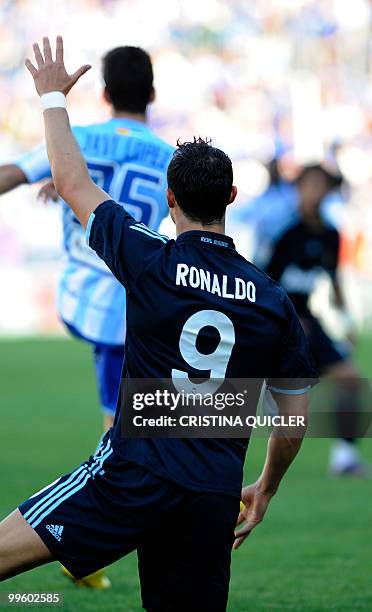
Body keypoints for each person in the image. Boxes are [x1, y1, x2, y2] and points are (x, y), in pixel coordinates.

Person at [0, 38, 316, 611]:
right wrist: (264, 489)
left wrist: (51, 98)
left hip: (133, 474)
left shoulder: (152, 262)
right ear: (233, 198)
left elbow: (74, 185)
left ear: (170, 198)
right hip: (212, 493)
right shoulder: (272, 302)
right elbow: (293, 421)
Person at [0, 45, 173, 434]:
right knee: (129, 428)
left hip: (80, 292)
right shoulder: (169, 158)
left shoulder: (76, 140)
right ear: (152, 94)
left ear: (105, 94)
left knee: (128, 424)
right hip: (129, 303)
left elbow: (11, 174)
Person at [263, 165, 368, 475]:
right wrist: (287, 321)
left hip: (309, 322)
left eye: (322, 186)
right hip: (279, 324)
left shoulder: (331, 234)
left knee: (351, 380)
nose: (316, 192)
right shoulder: (283, 232)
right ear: (299, 188)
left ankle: (345, 457)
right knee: (283, 405)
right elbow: (263, 283)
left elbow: (333, 281)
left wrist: (347, 321)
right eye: (310, 185)